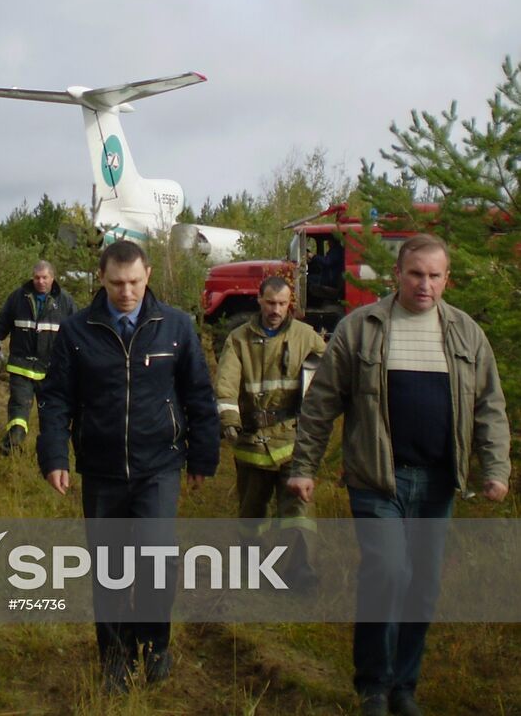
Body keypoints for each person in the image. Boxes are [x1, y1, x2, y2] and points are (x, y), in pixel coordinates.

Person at [287, 234, 511, 716]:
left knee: (422, 586)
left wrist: (494, 468)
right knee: (387, 573)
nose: (425, 284)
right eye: (415, 273)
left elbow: (489, 407)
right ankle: (372, 685)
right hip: (377, 479)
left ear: (447, 279)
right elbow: (321, 403)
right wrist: (304, 467)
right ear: (397, 275)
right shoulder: (359, 329)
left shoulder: (467, 334)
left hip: (436, 483)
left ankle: (403, 686)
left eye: (434, 275)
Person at [37, 240, 220, 693]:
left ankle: (155, 643)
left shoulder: (174, 327)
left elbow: (199, 393)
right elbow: (57, 398)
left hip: (158, 465)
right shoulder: (77, 332)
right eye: (117, 283)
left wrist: (203, 454)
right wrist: (55, 455)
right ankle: (116, 658)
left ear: (148, 274)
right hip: (101, 468)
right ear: (101, 278)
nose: (126, 292)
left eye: (135, 281)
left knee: (157, 560)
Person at [214, 275, 326, 587]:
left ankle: (301, 572)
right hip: (250, 441)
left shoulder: (307, 337)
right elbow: (226, 383)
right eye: (270, 302)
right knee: (253, 514)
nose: (276, 309)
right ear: (259, 301)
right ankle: (257, 570)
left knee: (298, 511)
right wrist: (229, 421)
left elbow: (328, 379)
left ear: (290, 303)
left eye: (282, 303)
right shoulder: (238, 339)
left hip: (292, 441)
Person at [0, 260, 77, 455]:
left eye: (44, 278)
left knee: (50, 412)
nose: (40, 281)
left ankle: (51, 453)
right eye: (37, 277)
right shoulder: (18, 297)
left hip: (50, 371)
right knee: (19, 405)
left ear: (52, 278)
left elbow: (76, 332)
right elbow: (2, 323)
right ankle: (13, 442)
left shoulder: (65, 302)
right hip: (20, 367)